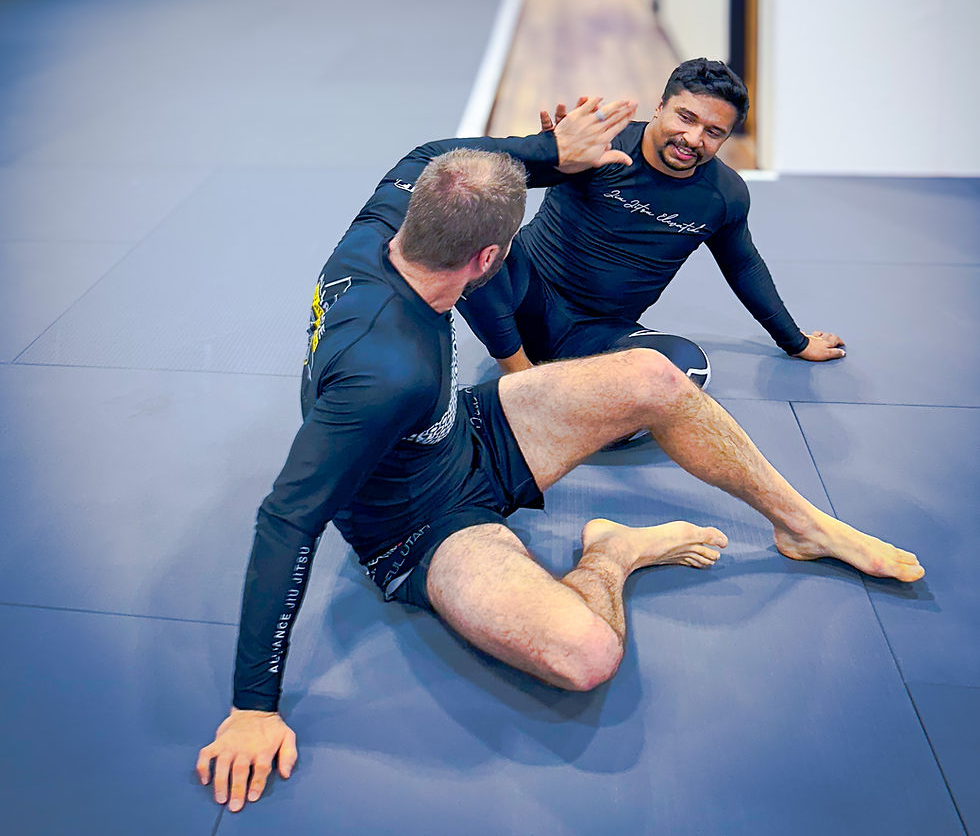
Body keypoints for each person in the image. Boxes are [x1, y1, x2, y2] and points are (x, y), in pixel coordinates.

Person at [197, 99, 923, 814]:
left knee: (656, 378)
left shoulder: (381, 223)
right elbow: (286, 520)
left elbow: (429, 150)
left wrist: (549, 151)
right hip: (422, 531)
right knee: (585, 656)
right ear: (490, 258)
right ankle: (612, 553)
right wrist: (252, 707)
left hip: (467, 429)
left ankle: (803, 525)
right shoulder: (388, 374)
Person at [456, 58, 845, 389]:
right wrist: (549, 157)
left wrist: (794, 341)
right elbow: (488, 180)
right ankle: (521, 379)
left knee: (686, 369)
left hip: (597, 333)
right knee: (467, 235)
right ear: (660, 107)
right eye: (686, 117)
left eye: (713, 132)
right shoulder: (603, 146)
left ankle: (570, 392)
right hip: (522, 296)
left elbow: (743, 266)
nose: (693, 138)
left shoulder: (724, 196)